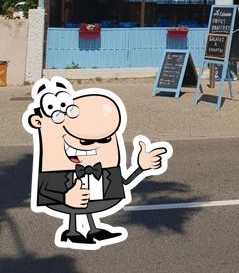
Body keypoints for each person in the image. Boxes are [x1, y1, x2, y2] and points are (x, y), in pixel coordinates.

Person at [22, 77, 171, 250]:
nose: (92, 144)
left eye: (106, 139)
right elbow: (45, 191)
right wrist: (65, 198)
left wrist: (141, 167)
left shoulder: (106, 169)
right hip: (67, 197)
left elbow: (124, 183)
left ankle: (93, 229)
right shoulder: (55, 171)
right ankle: (72, 232)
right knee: (75, 206)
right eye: (84, 141)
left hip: (99, 199)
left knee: (87, 205)